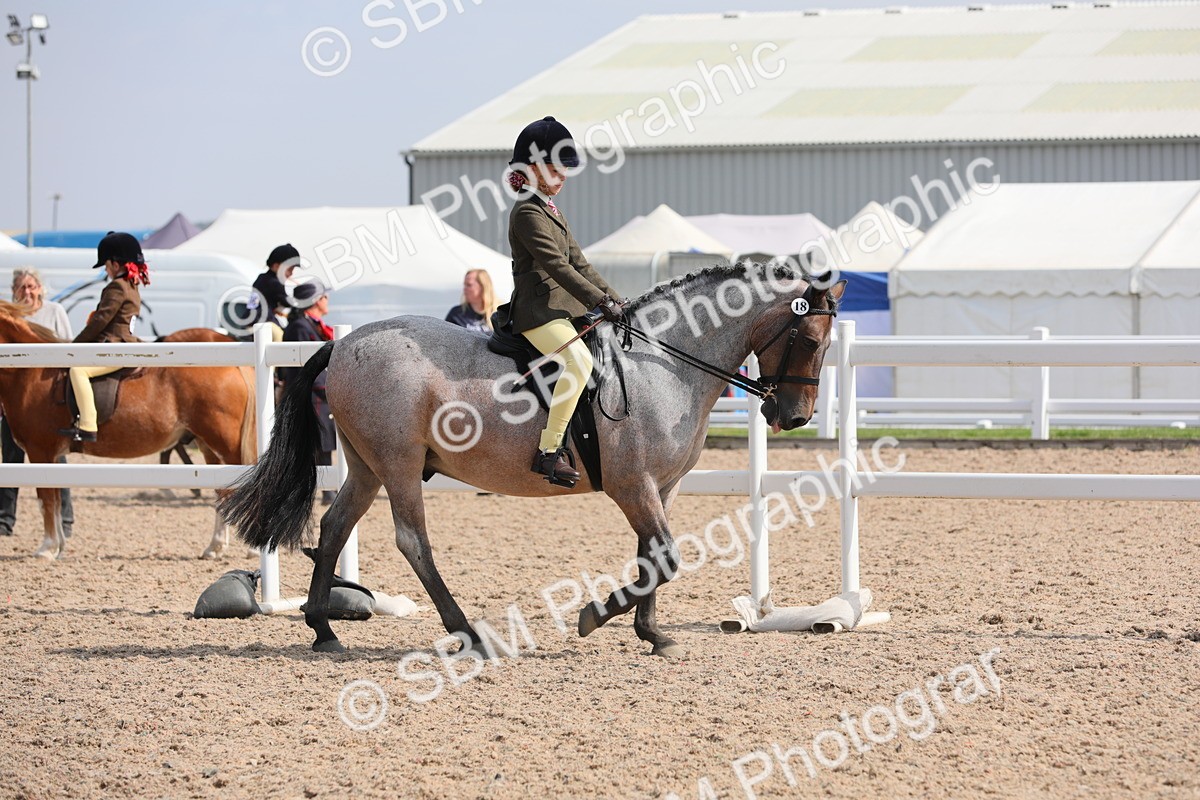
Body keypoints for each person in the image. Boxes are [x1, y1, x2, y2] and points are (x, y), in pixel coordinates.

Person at [495, 116, 624, 487]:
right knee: (578, 362)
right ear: (533, 168)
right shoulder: (527, 212)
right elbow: (558, 266)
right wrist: (599, 300)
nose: (563, 176)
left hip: (563, 310)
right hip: (538, 313)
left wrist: (618, 301)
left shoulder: (551, 209)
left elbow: (581, 262)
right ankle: (549, 451)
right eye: (556, 168)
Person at [0, 269, 74, 536]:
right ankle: (5, 520)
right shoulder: (9, 318)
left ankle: (65, 519)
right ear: (14, 291)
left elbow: (70, 347)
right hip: (14, 403)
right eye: (21, 287)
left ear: (40, 288)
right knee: (10, 459)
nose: (27, 292)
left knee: (57, 460)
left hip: (49, 403)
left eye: (31, 286)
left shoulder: (54, 312)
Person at [58, 232, 148, 443]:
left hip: (115, 347)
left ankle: (88, 424)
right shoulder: (132, 285)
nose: (106, 271)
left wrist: (75, 345)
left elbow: (100, 321)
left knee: (78, 370)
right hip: (126, 343)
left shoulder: (116, 287)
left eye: (106, 266)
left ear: (114, 264)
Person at [282, 281, 338, 505]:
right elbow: (305, 366)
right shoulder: (300, 327)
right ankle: (323, 491)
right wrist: (329, 385)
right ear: (315, 301)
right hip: (312, 394)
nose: (327, 300)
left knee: (323, 444)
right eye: (324, 297)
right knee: (313, 444)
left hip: (319, 393)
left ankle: (328, 490)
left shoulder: (312, 325)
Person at [249, 243, 300, 341]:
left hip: (251, 320)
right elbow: (287, 302)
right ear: (276, 266)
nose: (291, 273)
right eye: (290, 269)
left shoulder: (261, 278)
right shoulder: (274, 283)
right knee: (282, 338)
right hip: (264, 322)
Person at [444, 269, 498, 333]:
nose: (464, 289)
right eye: (464, 285)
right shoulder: (456, 314)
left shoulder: (499, 313)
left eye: (469, 285)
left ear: (483, 287)